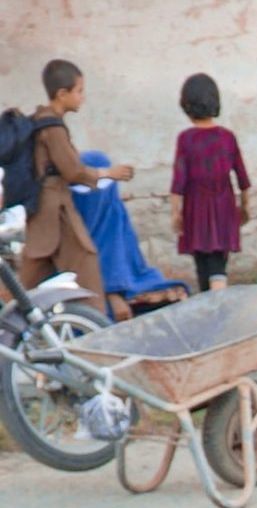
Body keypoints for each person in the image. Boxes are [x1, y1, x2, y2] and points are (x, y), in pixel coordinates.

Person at [14, 59, 129, 308]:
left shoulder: (40, 120)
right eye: (79, 91)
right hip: (54, 208)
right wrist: (108, 173)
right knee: (84, 261)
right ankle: (95, 331)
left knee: (35, 273)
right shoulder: (52, 126)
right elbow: (73, 170)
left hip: (45, 208)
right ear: (62, 94)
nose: (82, 98)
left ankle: (22, 326)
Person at [71, 148, 189, 316]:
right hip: (88, 294)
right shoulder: (70, 222)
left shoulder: (114, 213)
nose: (95, 192)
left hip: (127, 282)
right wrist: (113, 295)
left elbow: (130, 261)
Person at [169, 73, 249, 293]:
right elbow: (242, 178)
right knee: (218, 263)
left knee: (202, 264)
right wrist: (245, 207)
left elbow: (179, 181)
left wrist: (175, 212)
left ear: (186, 105)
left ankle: (211, 306)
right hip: (224, 207)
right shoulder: (227, 137)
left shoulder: (185, 139)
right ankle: (218, 303)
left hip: (196, 209)